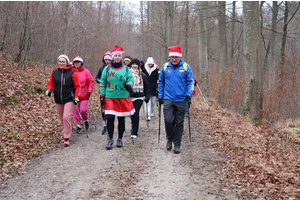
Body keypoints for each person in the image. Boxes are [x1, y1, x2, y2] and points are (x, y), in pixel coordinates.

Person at [157, 45, 194, 154]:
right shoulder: (165, 67)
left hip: (181, 99)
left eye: (176, 57)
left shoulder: (186, 67)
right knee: (168, 120)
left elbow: (191, 82)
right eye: (172, 57)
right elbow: (161, 83)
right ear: (170, 57)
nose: (174, 59)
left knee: (179, 122)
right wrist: (160, 96)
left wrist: (189, 94)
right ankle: (169, 138)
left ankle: (177, 144)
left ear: (180, 57)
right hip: (168, 98)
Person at [100, 45, 135, 150]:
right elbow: (102, 82)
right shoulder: (107, 69)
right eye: (115, 56)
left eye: (119, 56)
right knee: (110, 118)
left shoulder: (126, 68)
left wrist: (129, 85)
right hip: (110, 96)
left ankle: (120, 138)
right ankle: (110, 139)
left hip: (123, 96)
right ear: (112, 57)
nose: (117, 57)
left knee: (121, 118)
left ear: (121, 57)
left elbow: (130, 78)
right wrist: (102, 95)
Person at [46, 54, 80, 146]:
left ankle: (66, 137)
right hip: (58, 98)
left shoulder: (72, 73)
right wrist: (48, 89)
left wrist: (76, 97)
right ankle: (66, 133)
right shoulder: (54, 72)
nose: (61, 63)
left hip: (69, 98)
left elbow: (77, 86)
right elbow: (50, 83)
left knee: (66, 117)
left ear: (67, 63)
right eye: (60, 61)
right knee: (62, 119)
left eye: (63, 61)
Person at [72, 55, 94, 133]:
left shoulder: (86, 71)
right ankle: (78, 125)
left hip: (84, 95)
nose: (77, 63)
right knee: (75, 111)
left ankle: (86, 120)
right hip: (74, 95)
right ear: (73, 63)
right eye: (75, 62)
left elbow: (91, 82)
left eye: (78, 62)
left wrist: (89, 90)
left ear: (81, 63)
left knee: (83, 110)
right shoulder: (71, 71)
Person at [129, 58, 150, 138]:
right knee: (131, 113)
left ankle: (134, 132)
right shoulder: (128, 74)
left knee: (135, 112)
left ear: (138, 65)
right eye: (133, 64)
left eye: (136, 64)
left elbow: (147, 87)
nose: (134, 66)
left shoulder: (143, 75)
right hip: (130, 96)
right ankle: (133, 126)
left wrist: (147, 96)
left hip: (139, 97)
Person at [95, 51, 112, 134]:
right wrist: (98, 80)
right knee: (103, 109)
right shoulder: (101, 68)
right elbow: (97, 77)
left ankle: (110, 125)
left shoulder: (113, 68)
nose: (107, 61)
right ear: (104, 60)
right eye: (106, 60)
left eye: (109, 60)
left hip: (111, 92)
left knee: (110, 110)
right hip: (102, 91)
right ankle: (105, 126)